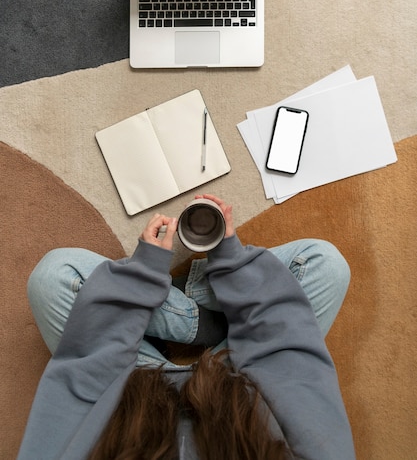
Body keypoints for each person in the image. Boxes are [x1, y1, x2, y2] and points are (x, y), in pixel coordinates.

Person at [18, 194, 356, 460]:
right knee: (325, 265)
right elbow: (289, 364)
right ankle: (209, 322)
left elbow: (83, 376)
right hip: (238, 380)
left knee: (54, 278)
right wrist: (231, 262)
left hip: (129, 386)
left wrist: (141, 275)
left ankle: (190, 318)